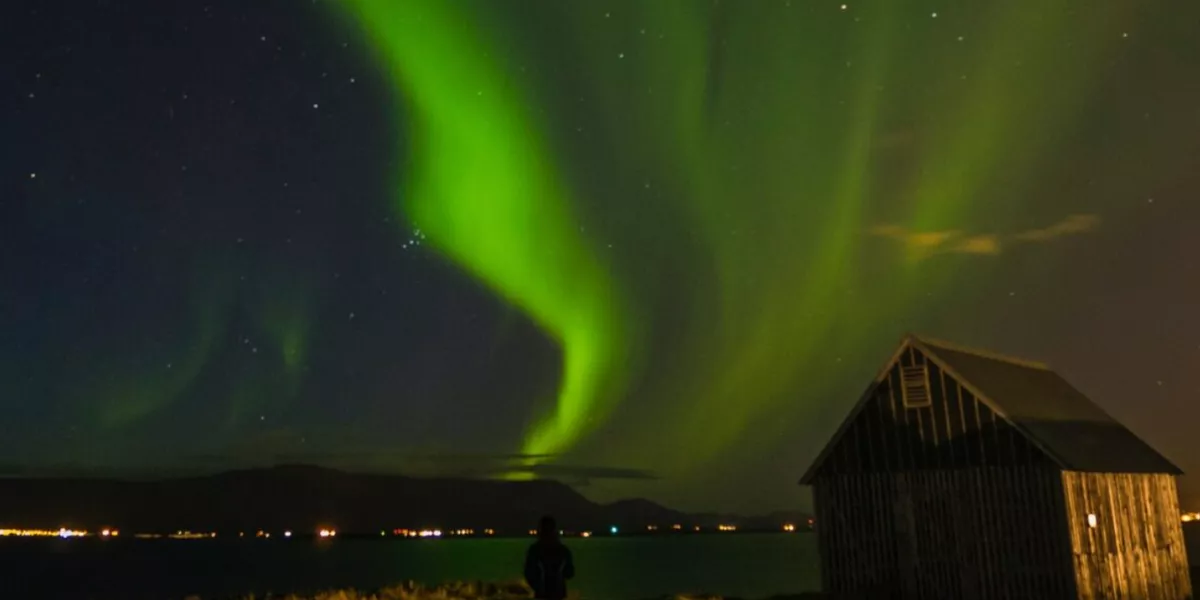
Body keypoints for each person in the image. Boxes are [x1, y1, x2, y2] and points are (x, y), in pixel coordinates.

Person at [523, 515, 575, 600]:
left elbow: (528, 573)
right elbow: (570, 573)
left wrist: (537, 586)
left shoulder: (535, 549)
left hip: (542, 593)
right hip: (558, 593)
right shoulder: (563, 550)